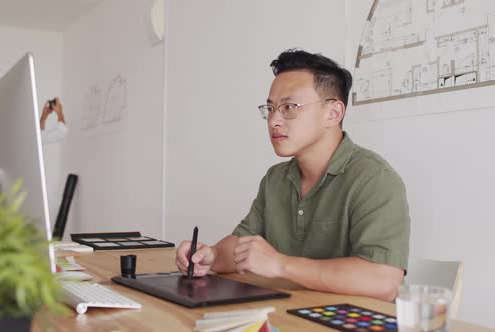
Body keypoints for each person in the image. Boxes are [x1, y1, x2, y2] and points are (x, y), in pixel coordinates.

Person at [175, 49, 410, 302]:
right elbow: (243, 242)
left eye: (289, 107)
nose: (274, 120)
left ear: (333, 113)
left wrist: (280, 264)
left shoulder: (374, 179)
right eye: (270, 108)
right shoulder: (276, 179)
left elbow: (384, 281)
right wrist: (210, 256)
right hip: (288, 316)